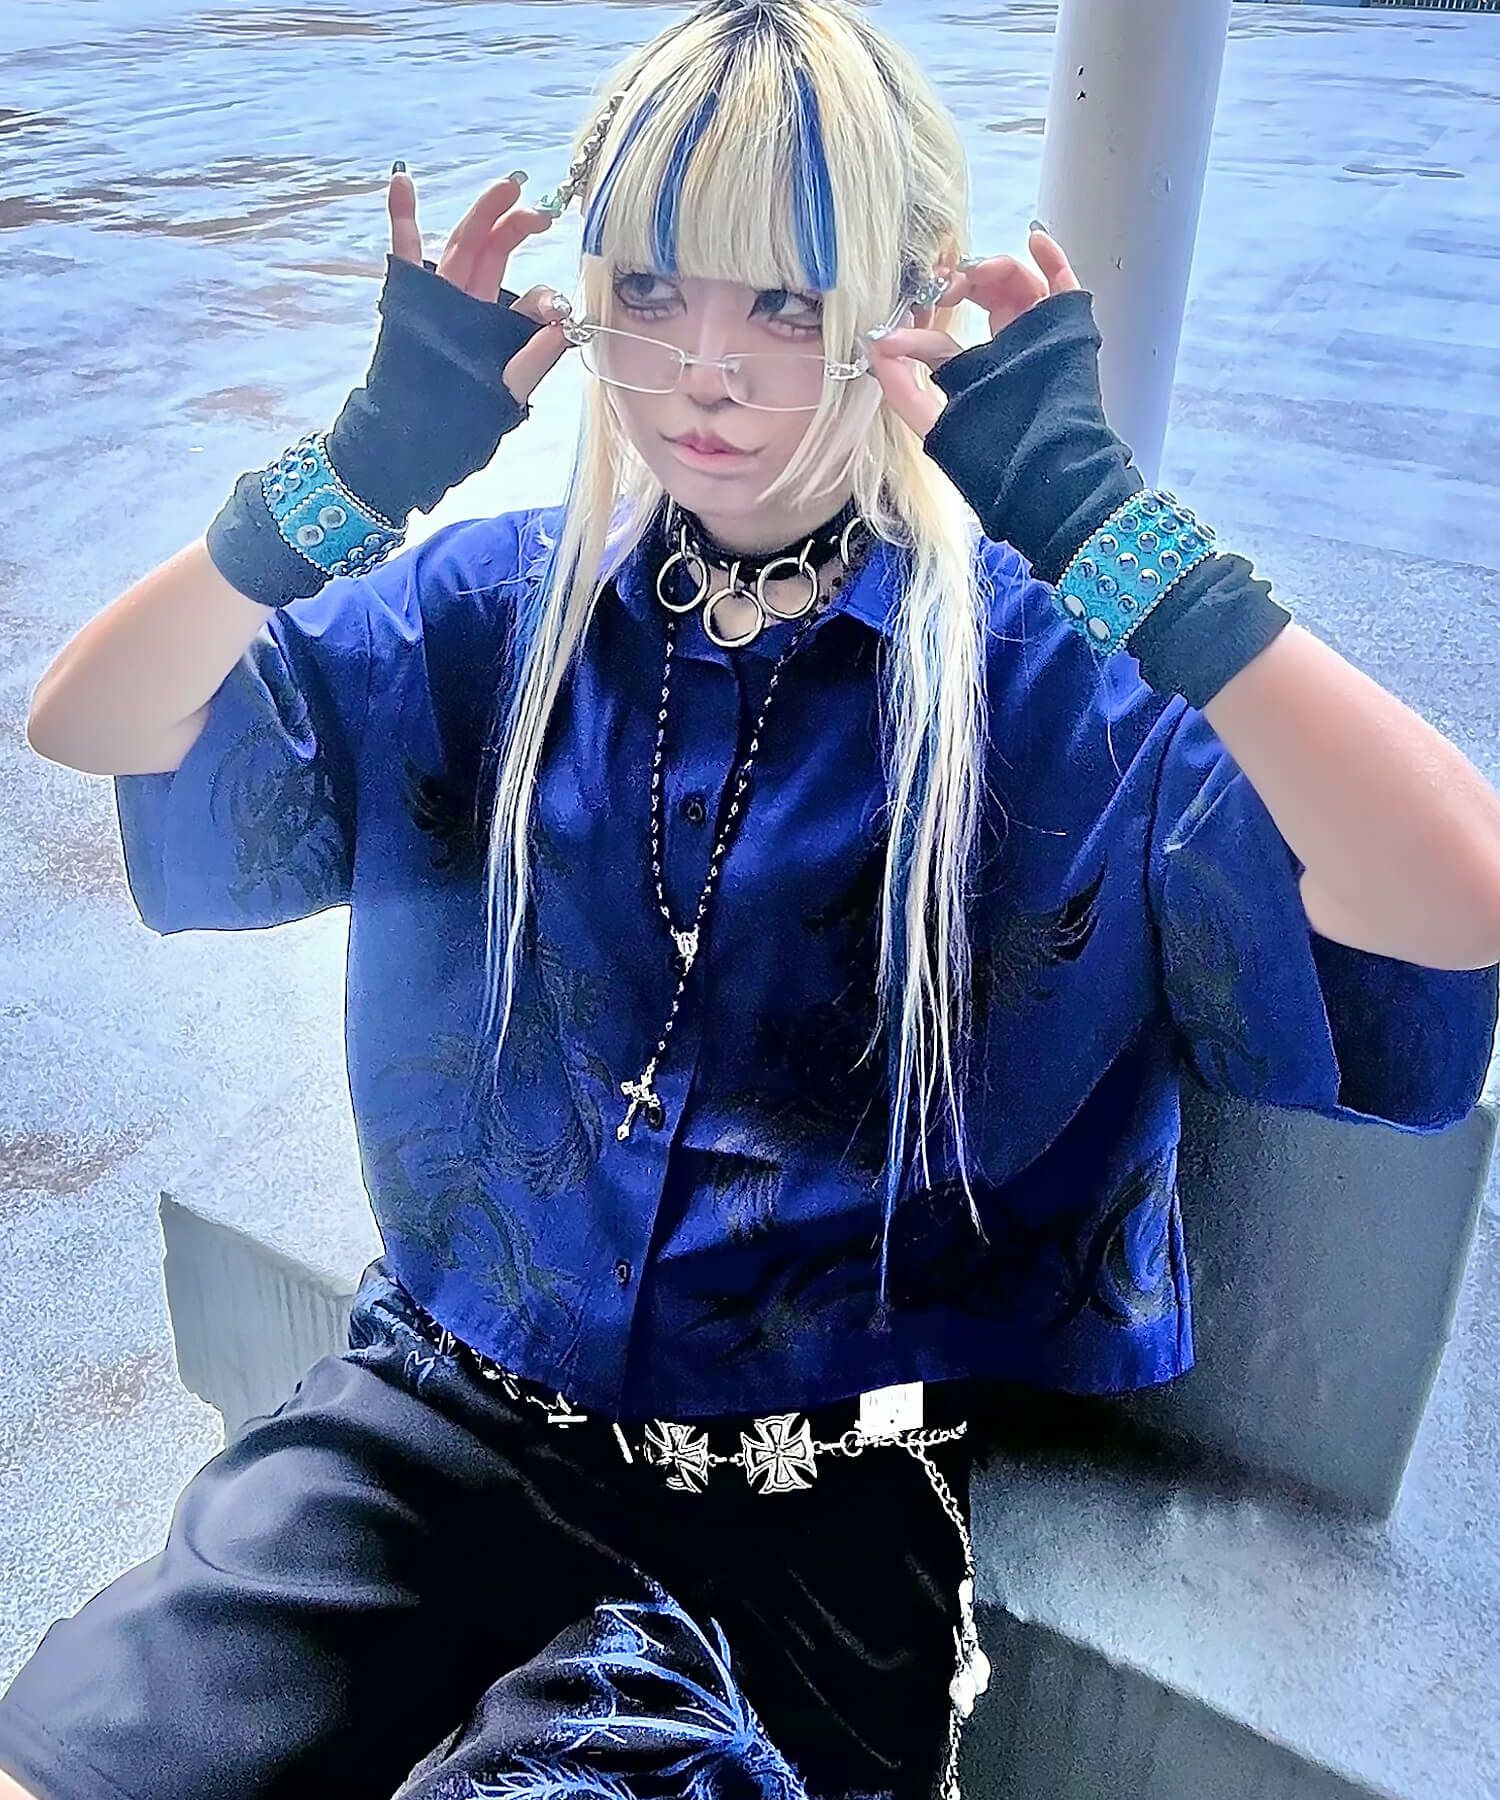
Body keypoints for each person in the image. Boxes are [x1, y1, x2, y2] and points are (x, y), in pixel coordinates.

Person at [7, 1, 1500, 1797]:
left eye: (785, 302)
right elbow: (93, 720)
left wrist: (1113, 533)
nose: (705, 370)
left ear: (906, 303)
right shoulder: (494, 607)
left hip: (803, 1513)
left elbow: (1454, 896)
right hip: (440, 1414)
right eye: (650, 291)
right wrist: (352, 473)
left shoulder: (1046, 684)